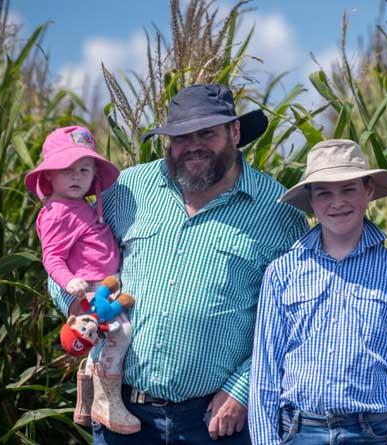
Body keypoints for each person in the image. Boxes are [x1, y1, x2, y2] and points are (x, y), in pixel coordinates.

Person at [48, 84, 308, 444]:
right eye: (181, 136)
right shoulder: (130, 188)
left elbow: (295, 317)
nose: (193, 145)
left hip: (215, 421)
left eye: (207, 133)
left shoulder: (277, 212)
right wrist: (83, 307)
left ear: (234, 133)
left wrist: (243, 389)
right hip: (122, 413)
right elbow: (69, 253)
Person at [250, 139, 387, 444]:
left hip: (371, 432)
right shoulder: (282, 273)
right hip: (299, 429)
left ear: (369, 190)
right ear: (311, 200)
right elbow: (265, 371)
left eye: (348, 190)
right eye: (325, 193)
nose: (337, 203)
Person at [25, 125, 140, 434]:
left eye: (84, 169)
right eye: (66, 170)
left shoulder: (83, 206)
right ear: (48, 176)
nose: (76, 176)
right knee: (119, 331)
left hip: (105, 283)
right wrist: (69, 281)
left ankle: (85, 401)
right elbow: (52, 256)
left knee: (101, 338)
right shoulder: (56, 213)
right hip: (88, 285)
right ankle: (108, 398)